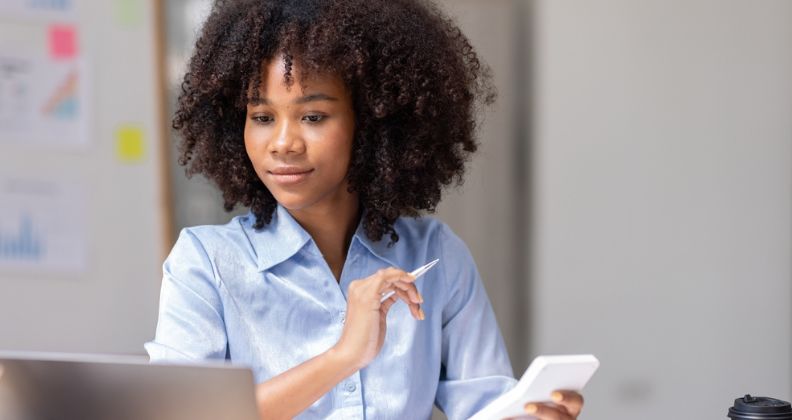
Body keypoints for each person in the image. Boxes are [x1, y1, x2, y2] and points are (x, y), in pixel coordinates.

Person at [145, 0, 585, 419]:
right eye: (262, 117)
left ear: (374, 122)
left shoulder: (437, 257)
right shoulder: (206, 264)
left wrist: (528, 415)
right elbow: (178, 414)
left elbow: (486, 406)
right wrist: (344, 357)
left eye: (313, 117)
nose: (282, 143)